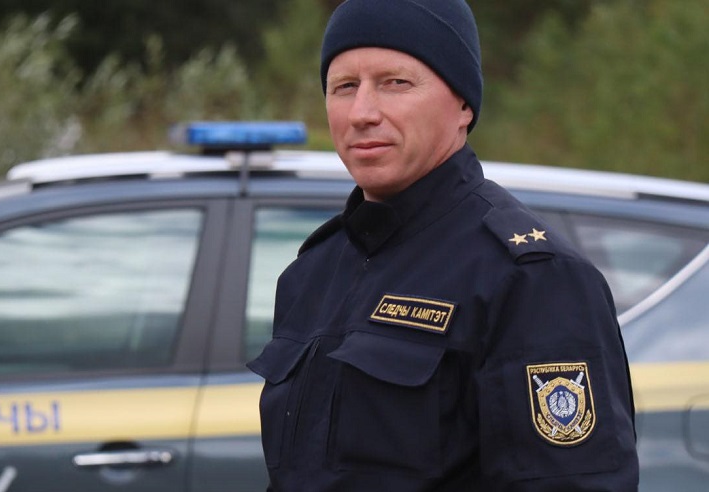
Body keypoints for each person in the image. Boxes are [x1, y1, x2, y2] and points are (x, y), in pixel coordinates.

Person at [247, 0, 640, 490]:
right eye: (344, 86)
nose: (362, 112)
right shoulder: (312, 272)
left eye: (395, 83)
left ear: (463, 105)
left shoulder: (530, 277)